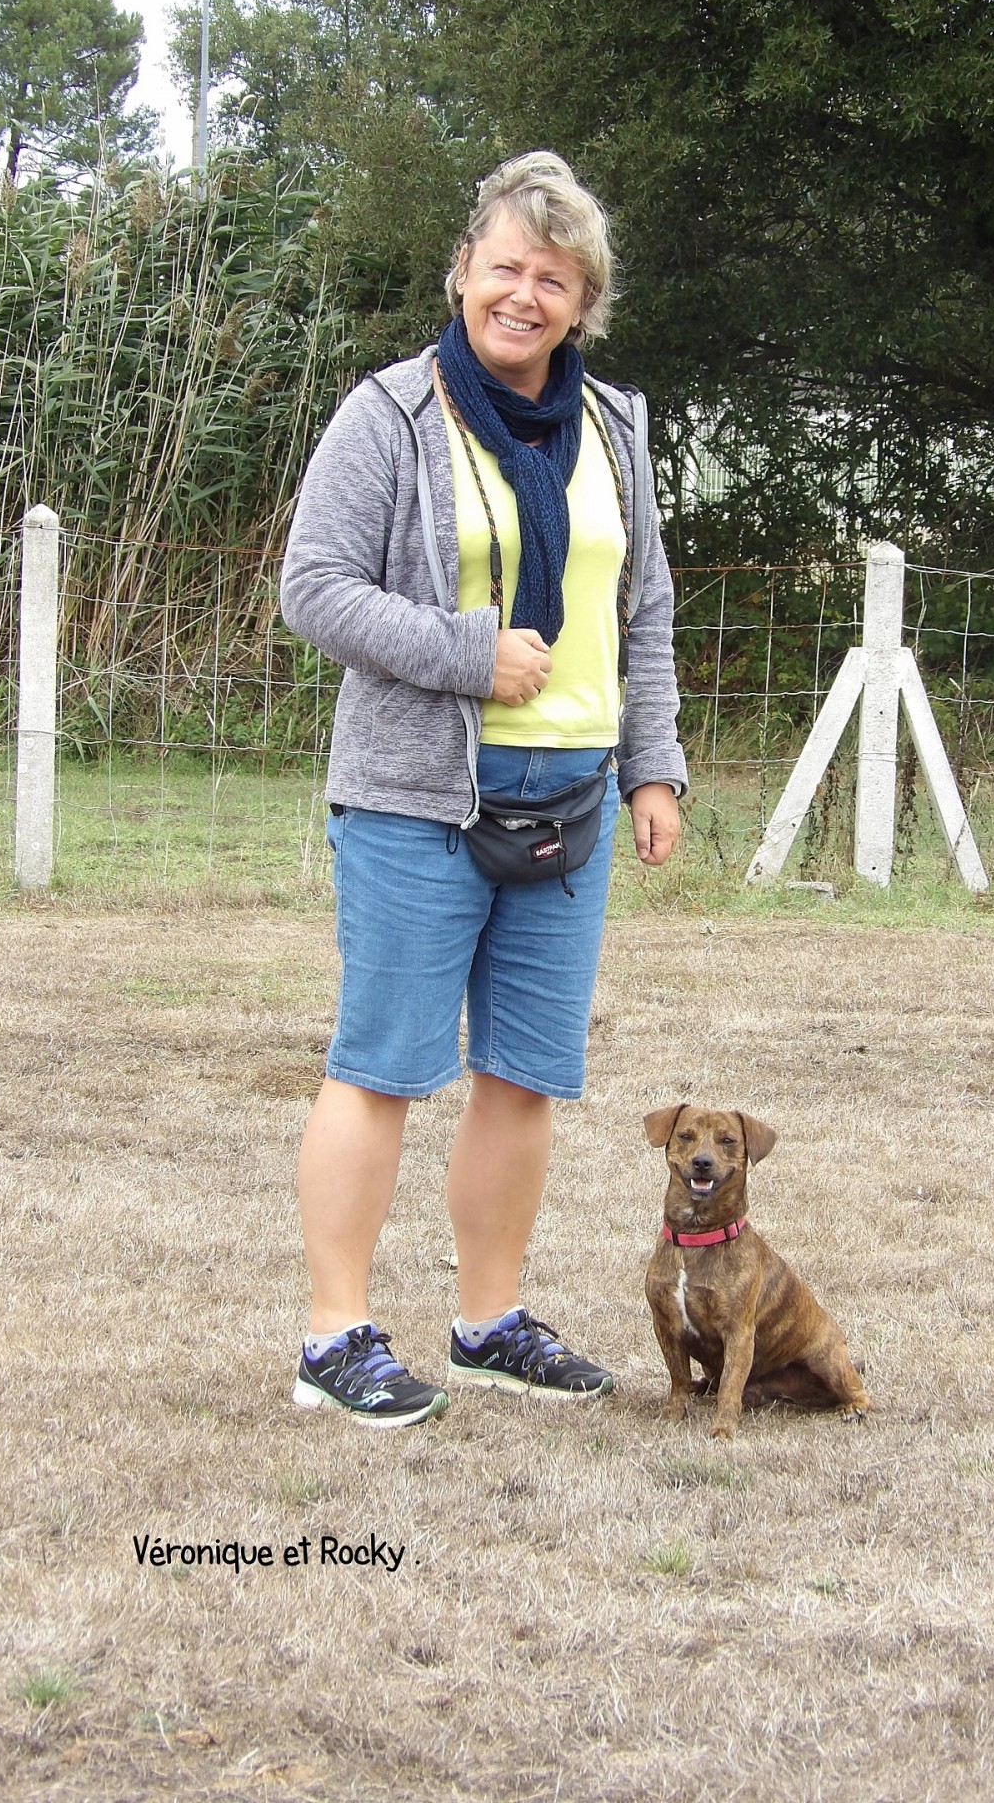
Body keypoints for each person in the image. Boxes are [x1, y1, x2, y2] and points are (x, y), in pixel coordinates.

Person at [280, 151, 686, 1427]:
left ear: (583, 303)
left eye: (552, 278)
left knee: (523, 1075)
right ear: (462, 272)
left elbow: (645, 613)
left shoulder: (615, 427)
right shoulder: (391, 417)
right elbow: (316, 588)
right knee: (384, 1067)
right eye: (505, 265)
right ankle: (334, 1339)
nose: (524, 293)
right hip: (418, 796)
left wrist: (653, 768)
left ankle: (487, 1322)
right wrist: (466, 654)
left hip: (571, 796)